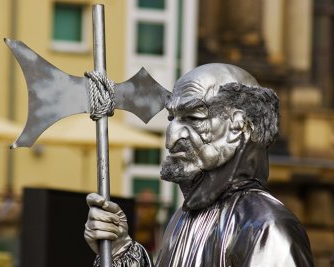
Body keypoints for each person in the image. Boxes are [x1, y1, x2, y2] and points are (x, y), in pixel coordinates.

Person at [84, 63, 313, 266]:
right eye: (172, 119)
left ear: (238, 126)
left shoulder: (266, 227)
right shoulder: (182, 219)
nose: (171, 138)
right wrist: (120, 250)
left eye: (193, 118)